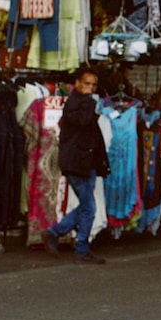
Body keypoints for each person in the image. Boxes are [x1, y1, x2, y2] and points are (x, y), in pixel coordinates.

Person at [43, 65, 110, 264]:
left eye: (94, 85)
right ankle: (78, 246)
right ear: (78, 84)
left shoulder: (85, 103)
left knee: (86, 205)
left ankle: (57, 234)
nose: (91, 88)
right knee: (89, 207)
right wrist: (90, 101)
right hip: (76, 163)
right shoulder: (75, 104)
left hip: (85, 162)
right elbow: (82, 121)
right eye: (87, 84)